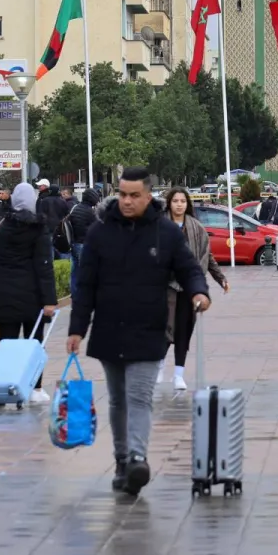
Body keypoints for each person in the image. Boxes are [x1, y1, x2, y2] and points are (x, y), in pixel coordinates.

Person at [67, 167, 208, 497]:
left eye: (134, 195)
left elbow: (188, 268)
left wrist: (199, 291)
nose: (127, 201)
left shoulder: (165, 234)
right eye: (122, 194)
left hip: (149, 330)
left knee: (140, 396)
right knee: (117, 400)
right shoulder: (101, 233)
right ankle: (121, 459)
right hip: (108, 329)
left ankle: (137, 458)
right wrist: (76, 329)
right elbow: (85, 286)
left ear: (147, 196)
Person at [0, 183, 59, 405]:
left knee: (5, 340)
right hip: (32, 295)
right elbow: (44, 265)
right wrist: (49, 300)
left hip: (4, 292)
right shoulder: (38, 228)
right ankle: (35, 389)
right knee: (34, 341)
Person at [161, 187, 229, 392]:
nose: (179, 204)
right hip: (166, 286)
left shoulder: (196, 228)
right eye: (175, 201)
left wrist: (221, 278)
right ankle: (158, 367)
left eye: (183, 201)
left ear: (187, 204)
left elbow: (208, 257)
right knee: (165, 327)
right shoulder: (159, 227)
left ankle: (178, 374)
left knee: (184, 329)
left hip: (190, 286)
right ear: (169, 204)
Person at [67, 187, 100, 292]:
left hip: (74, 243)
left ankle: (74, 292)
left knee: (75, 270)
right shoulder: (89, 212)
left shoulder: (75, 208)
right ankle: (84, 294)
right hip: (83, 244)